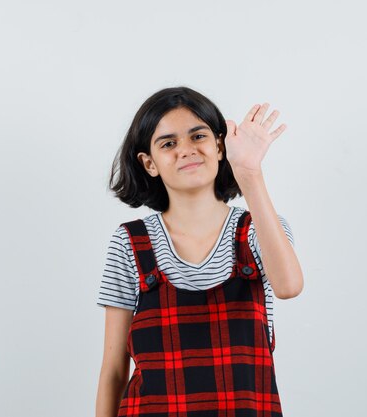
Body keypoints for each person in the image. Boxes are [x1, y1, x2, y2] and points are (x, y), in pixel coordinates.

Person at [95, 86, 304, 417]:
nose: (186, 150)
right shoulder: (129, 243)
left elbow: (289, 286)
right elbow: (113, 371)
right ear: (149, 163)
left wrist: (249, 173)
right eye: (168, 143)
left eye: (198, 136)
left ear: (220, 146)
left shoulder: (259, 229)